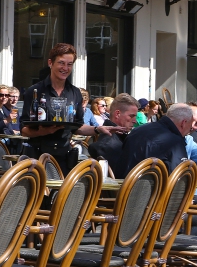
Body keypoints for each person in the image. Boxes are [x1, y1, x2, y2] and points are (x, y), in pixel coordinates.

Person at [20, 43, 126, 174]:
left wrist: (98, 129)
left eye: (69, 64)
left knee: (62, 195)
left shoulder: (75, 93)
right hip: (37, 156)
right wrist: (43, 132)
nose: (65, 68)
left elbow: (78, 127)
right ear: (50, 63)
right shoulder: (34, 91)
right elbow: (24, 130)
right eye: (61, 63)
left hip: (64, 157)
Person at [88, 93, 139, 176]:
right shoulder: (108, 145)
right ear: (117, 114)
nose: (135, 121)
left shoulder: (120, 138)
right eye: (131, 116)